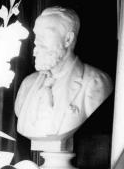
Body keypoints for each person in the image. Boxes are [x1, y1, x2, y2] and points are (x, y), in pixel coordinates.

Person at [15, 7, 113, 142]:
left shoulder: (96, 82)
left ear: (68, 39)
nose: (37, 42)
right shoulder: (28, 84)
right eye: (37, 35)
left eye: (46, 34)